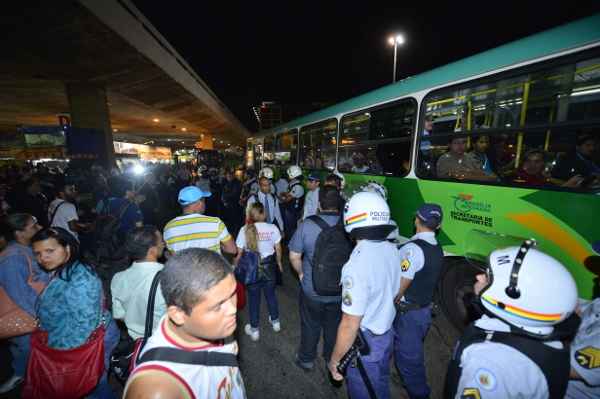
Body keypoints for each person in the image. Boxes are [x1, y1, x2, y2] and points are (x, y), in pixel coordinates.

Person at [445, 240, 578, 399]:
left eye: (488, 278)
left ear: (512, 296)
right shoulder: (550, 337)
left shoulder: (489, 361)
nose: (479, 277)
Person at [124, 248, 246, 399]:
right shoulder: (159, 389)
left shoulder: (216, 325)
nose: (233, 309)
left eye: (233, 294)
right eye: (218, 306)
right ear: (178, 315)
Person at [328, 191, 401, 399]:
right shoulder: (392, 248)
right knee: (380, 386)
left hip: (366, 346)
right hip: (387, 334)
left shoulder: (357, 264)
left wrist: (335, 360)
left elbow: (350, 323)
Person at [31, 227, 119, 398]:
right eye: (38, 253)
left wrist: (57, 355)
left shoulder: (81, 277)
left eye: (50, 251)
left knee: (90, 385)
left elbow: (84, 327)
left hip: (86, 343)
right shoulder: (61, 268)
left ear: (68, 248)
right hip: (70, 338)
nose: (43, 258)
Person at [289, 186, 346, 371]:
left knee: (310, 325)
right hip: (340, 290)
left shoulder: (307, 224)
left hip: (312, 289)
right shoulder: (348, 226)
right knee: (333, 326)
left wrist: (300, 273)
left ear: (319, 204)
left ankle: (306, 359)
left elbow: (294, 256)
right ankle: (331, 358)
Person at [393, 204, 444, 399]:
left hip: (409, 314)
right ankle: (405, 378)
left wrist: (390, 302)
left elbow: (401, 286)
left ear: (416, 221)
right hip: (423, 311)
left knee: (409, 359)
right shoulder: (437, 248)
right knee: (407, 351)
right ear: (438, 226)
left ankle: (419, 393)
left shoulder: (413, 250)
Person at [0, 214, 48, 394]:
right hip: (23, 314)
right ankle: (21, 377)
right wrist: (43, 313)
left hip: (30, 312)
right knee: (26, 351)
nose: (39, 227)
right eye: (33, 226)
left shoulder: (25, 249)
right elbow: (20, 294)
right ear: (19, 232)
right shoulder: (12, 258)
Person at [235, 202, 283, 341]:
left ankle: (254, 330)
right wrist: (279, 263)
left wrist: (235, 267)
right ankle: (276, 322)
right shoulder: (273, 228)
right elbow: (278, 249)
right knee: (271, 295)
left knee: (254, 299)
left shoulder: (244, 229)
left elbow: (239, 253)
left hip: (252, 269)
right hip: (269, 267)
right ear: (263, 214)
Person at [111, 226, 166, 340]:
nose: (163, 244)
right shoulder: (169, 277)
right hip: (162, 341)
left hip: (135, 343)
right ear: (152, 250)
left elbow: (119, 315)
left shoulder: (118, 278)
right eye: (161, 241)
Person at [163, 186, 236, 255]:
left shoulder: (168, 228)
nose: (205, 204)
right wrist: (219, 245)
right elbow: (232, 250)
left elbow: (172, 255)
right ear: (199, 203)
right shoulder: (215, 223)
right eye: (204, 200)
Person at [511, 149, 583, 187]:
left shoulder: (541, 175)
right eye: (528, 161)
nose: (532, 165)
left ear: (543, 164)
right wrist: (566, 186)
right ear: (523, 163)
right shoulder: (517, 176)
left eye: (537, 162)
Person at [280, 165, 305, 241]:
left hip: (292, 212)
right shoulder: (293, 184)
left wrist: (281, 198)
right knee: (288, 228)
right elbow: (287, 194)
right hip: (290, 210)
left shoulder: (298, 187)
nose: (287, 176)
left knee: (291, 230)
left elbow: (287, 198)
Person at [221, 169, 243, 238]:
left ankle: (235, 236)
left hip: (235, 206)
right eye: (227, 175)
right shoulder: (226, 182)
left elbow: (234, 194)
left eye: (230, 175)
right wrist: (223, 199)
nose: (228, 176)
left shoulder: (237, 183)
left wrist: (225, 197)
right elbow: (223, 192)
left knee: (234, 223)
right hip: (227, 206)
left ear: (233, 175)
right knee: (229, 223)